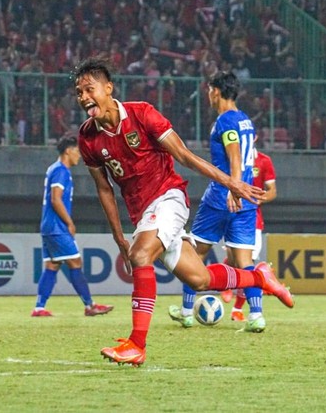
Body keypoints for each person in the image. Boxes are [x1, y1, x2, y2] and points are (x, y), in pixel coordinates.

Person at [74, 57, 292, 366]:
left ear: (108, 89)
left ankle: (137, 344)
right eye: (79, 92)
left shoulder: (142, 114)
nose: (83, 97)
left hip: (168, 197)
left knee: (140, 257)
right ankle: (258, 277)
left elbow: (185, 156)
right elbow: (104, 188)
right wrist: (119, 236)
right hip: (143, 214)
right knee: (200, 280)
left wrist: (232, 182)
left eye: (89, 89)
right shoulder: (87, 137)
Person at [168, 72, 291, 333]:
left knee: (194, 253)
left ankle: (187, 312)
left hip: (223, 196)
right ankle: (256, 315)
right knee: (244, 260)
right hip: (246, 199)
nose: (208, 95)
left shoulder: (225, 122)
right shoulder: (246, 121)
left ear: (215, 91)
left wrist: (232, 189)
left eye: (209, 90)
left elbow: (234, 156)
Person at [32, 135, 114, 318]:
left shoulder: (53, 169)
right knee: (75, 262)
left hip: (48, 226)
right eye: (77, 151)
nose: (79, 155)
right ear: (68, 151)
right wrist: (69, 222)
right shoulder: (61, 171)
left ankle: (39, 308)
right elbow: (56, 199)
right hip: (56, 227)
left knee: (53, 265)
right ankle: (90, 305)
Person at [222, 147, 279, 323]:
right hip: (231, 211)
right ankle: (226, 278)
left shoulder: (263, 160)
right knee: (234, 259)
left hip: (253, 218)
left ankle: (238, 309)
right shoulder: (229, 157)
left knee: (247, 263)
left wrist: (259, 198)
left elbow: (272, 191)